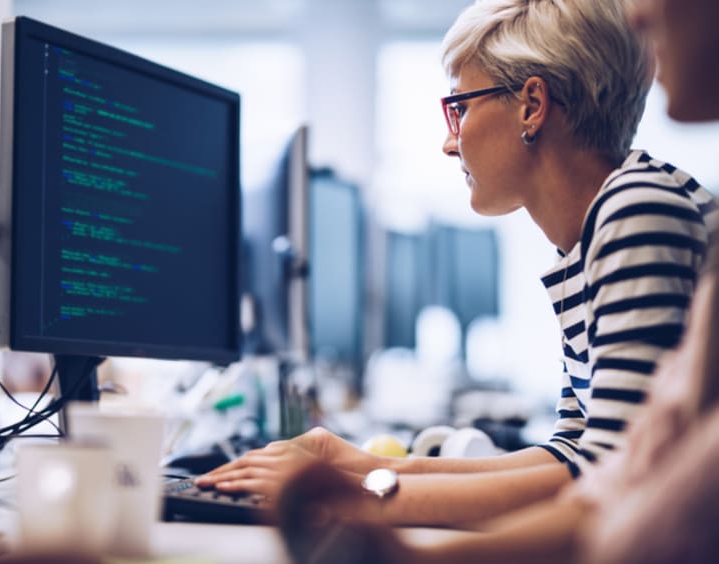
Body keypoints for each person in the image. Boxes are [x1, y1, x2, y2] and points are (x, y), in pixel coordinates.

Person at [197, 0, 716, 528]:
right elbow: (570, 451)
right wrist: (356, 464)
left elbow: (605, 479)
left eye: (460, 108)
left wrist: (345, 496)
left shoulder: (637, 209)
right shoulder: (591, 234)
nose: (450, 142)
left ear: (532, 105)